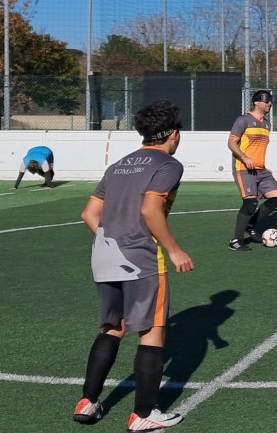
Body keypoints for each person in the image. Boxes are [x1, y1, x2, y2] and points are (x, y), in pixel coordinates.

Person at [72, 99, 192, 431]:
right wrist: (174, 250)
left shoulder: (118, 165)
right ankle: (143, 415)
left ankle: (88, 401)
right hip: (142, 257)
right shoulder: (168, 164)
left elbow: (89, 215)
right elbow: (150, 210)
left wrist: (114, 241)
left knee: (112, 327)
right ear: (172, 133)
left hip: (105, 254)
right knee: (152, 333)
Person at [227, 89, 277, 251]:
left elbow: (258, 149)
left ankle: (251, 224)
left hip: (261, 170)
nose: (270, 104)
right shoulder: (243, 120)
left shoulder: (267, 124)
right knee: (250, 203)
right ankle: (236, 240)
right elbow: (231, 143)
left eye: (271, 101)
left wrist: (264, 167)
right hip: (244, 169)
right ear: (256, 102)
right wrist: (245, 158)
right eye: (267, 101)